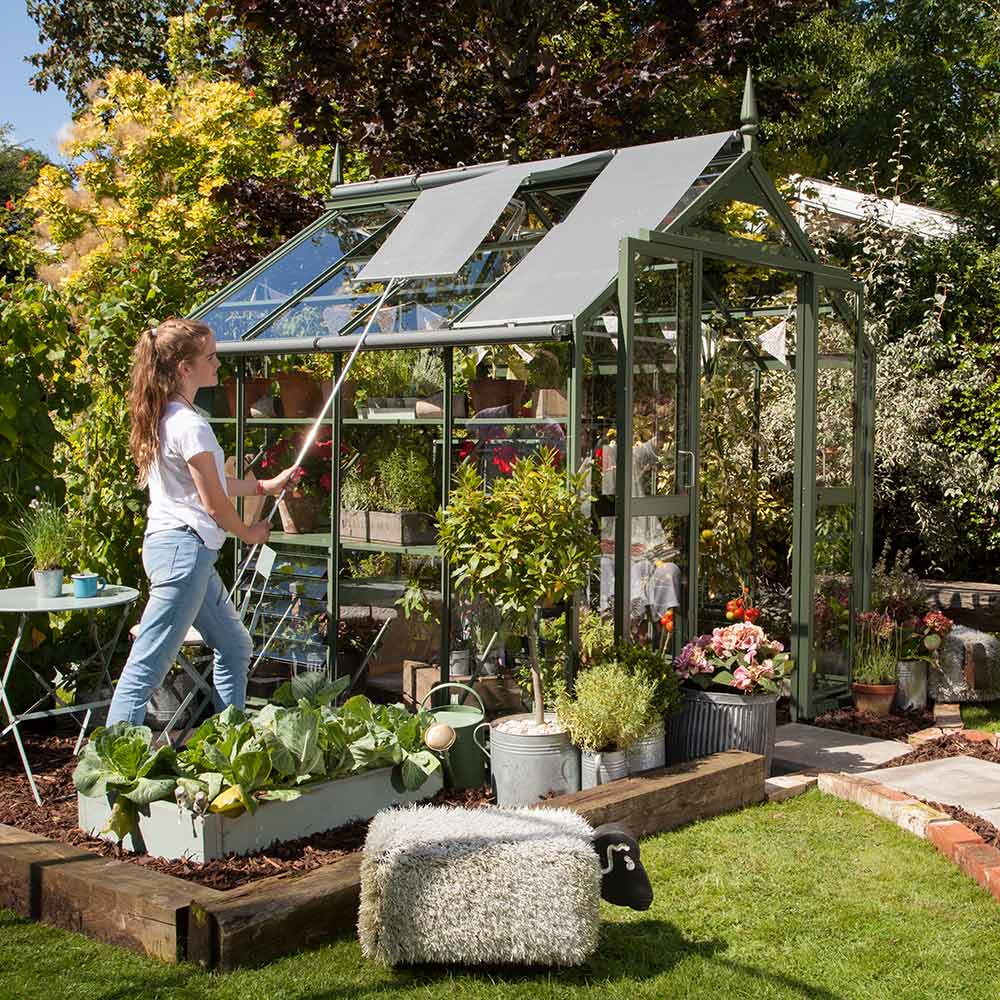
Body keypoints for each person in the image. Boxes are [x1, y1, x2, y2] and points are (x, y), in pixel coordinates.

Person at [106, 318, 298, 726]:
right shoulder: (189, 425)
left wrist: (263, 486)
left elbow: (208, 484)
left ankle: (232, 742)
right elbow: (213, 504)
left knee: (233, 645)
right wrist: (249, 533)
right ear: (184, 368)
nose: (218, 364)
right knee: (147, 668)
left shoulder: (168, 416)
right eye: (210, 357)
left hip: (180, 551)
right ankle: (109, 773)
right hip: (183, 554)